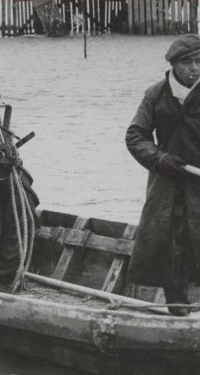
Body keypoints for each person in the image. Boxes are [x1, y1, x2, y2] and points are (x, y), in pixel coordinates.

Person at [126, 34, 200, 316]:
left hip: (198, 182)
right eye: (188, 62)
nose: (195, 68)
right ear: (173, 65)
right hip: (167, 182)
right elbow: (135, 136)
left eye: (199, 61)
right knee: (173, 247)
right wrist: (160, 159)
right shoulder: (155, 95)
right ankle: (179, 310)